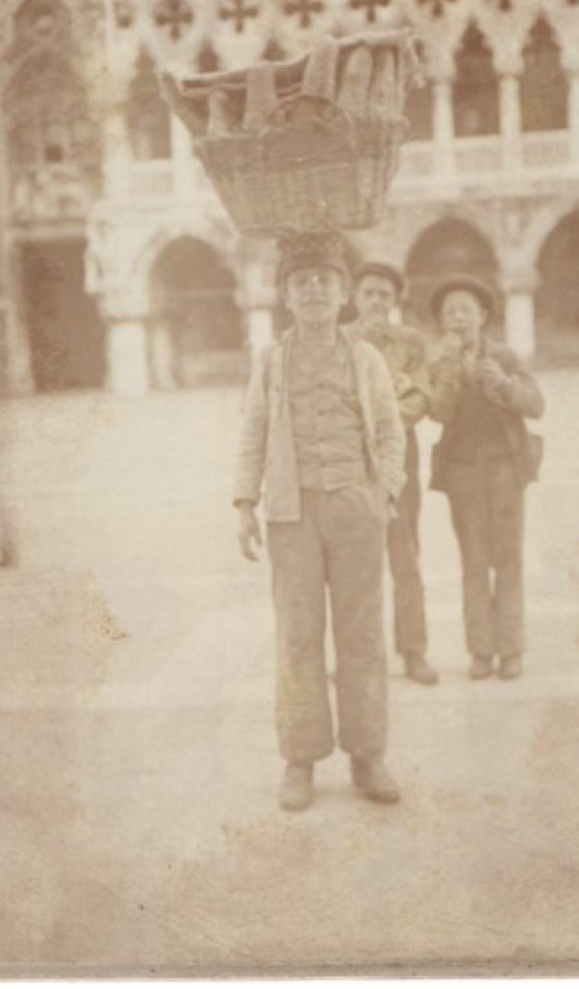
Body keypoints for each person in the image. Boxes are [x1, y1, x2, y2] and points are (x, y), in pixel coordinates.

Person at [233, 233, 405, 812]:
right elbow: (252, 432)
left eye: (324, 282)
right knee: (298, 635)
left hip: (357, 506)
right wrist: (242, 505)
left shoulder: (365, 358)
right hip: (292, 509)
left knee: (362, 634)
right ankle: (299, 758)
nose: (312, 292)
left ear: (344, 294)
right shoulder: (270, 362)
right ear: (285, 296)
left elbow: (389, 428)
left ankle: (368, 753)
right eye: (301, 283)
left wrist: (383, 489)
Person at [427, 274, 544, 681]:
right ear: (442, 322)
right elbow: (437, 413)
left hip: (505, 469)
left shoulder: (506, 356)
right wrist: (448, 373)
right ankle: (480, 651)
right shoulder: (439, 360)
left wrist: (505, 385)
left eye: (465, 310)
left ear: (483, 316)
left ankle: (510, 649)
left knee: (507, 560)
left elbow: (536, 405)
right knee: (473, 562)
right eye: (449, 312)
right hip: (462, 473)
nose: (458, 318)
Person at [348, 260, 438, 685]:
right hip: (349, 463)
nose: (377, 301)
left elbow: (421, 395)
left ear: (396, 300)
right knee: (352, 563)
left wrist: (383, 425)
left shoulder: (411, 342)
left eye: (385, 294)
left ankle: (414, 652)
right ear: (355, 297)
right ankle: (358, 658)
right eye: (369, 293)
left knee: (406, 556)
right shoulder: (339, 340)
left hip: (400, 460)